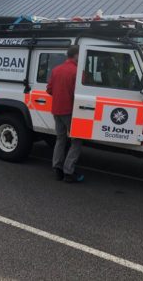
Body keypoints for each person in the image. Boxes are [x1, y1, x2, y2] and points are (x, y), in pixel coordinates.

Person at [46, 45, 83, 183]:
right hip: (71, 111)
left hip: (56, 110)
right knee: (76, 140)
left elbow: (49, 90)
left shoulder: (56, 70)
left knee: (60, 139)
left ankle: (57, 169)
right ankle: (69, 171)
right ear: (76, 55)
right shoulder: (77, 72)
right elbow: (80, 94)